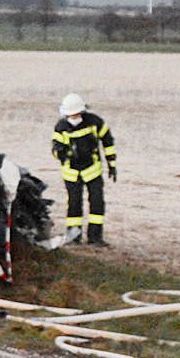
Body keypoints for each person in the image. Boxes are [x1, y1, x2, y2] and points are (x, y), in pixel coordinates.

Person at [51, 92, 119, 247]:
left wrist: (112, 164)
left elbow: (108, 142)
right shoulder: (61, 127)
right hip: (71, 174)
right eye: (71, 115)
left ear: (82, 111)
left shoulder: (95, 122)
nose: (74, 118)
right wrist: (62, 152)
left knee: (97, 203)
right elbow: (55, 149)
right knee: (74, 205)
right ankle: (74, 237)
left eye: (76, 114)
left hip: (92, 171)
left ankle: (95, 237)